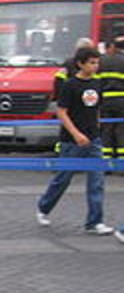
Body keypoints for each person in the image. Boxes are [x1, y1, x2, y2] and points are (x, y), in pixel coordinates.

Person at [37, 47, 113, 235]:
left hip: (93, 139)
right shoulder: (70, 85)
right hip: (71, 141)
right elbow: (61, 112)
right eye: (92, 63)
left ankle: (94, 222)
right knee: (63, 178)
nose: (95, 66)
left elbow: (96, 109)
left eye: (97, 63)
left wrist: (96, 128)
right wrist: (76, 134)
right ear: (80, 64)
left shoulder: (97, 84)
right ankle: (44, 207)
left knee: (97, 180)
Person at [98, 36, 124, 159]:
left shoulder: (101, 61)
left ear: (113, 47)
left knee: (106, 128)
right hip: (122, 101)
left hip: (105, 100)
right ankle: (121, 159)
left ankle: (106, 158)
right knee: (121, 129)